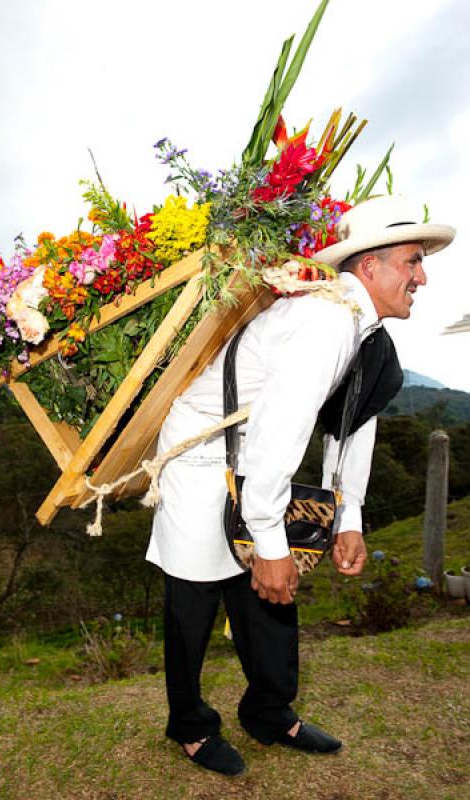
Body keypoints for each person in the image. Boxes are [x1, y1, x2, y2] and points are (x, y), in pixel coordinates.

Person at [146, 195, 455, 776]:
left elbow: (353, 424)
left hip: (258, 467)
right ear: (370, 266)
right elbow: (276, 431)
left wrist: (351, 517)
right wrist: (268, 541)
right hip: (203, 454)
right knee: (195, 596)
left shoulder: (365, 334)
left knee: (271, 595)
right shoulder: (326, 323)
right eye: (413, 261)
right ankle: (188, 724)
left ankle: (269, 713)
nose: (423, 276)